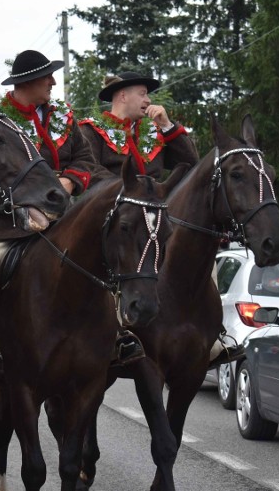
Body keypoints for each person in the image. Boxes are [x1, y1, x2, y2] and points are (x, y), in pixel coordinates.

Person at [0, 49, 108, 374]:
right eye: (48, 78)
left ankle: (114, 333)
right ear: (29, 82)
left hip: (64, 215)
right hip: (7, 222)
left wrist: (69, 184)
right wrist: (20, 200)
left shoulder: (64, 117)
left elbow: (85, 160)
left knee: (110, 252)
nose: (53, 82)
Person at [78, 71, 200, 364]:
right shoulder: (92, 130)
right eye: (143, 93)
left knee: (195, 254)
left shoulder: (154, 134)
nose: (148, 100)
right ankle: (109, 331)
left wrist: (168, 126)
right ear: (122, 96)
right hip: (113, 218)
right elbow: (90, 171)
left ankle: (207, 333)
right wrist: (130, 192)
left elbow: (191, 163)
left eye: (148, 95)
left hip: (154, 221)